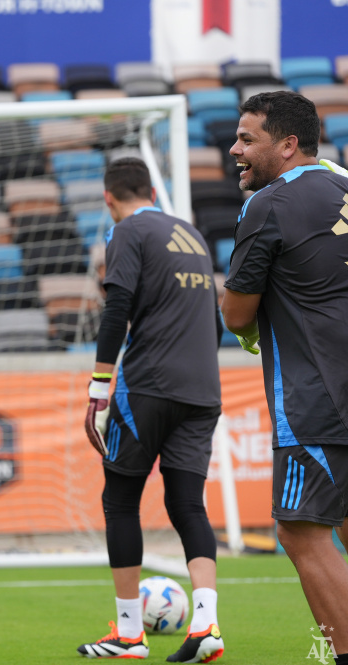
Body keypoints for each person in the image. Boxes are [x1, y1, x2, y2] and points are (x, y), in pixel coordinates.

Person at [79, 157, 225, 662]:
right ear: (152, 191)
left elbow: (116, 307)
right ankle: (206, 624)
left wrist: (100, 384)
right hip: (204, 389)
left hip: (149, 387)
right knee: (188, 503)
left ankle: (128, 634)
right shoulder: (191, 234)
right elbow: (215, 319)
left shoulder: (127, 232)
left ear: (109, 198)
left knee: (120, 500)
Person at [222, 90, 348, 665]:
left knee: (300, 530)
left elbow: (237, 313)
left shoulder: (268, 203)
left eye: (248, 139)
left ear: (289, 144)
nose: (235, 149)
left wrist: (251, 326)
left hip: (317, 396)